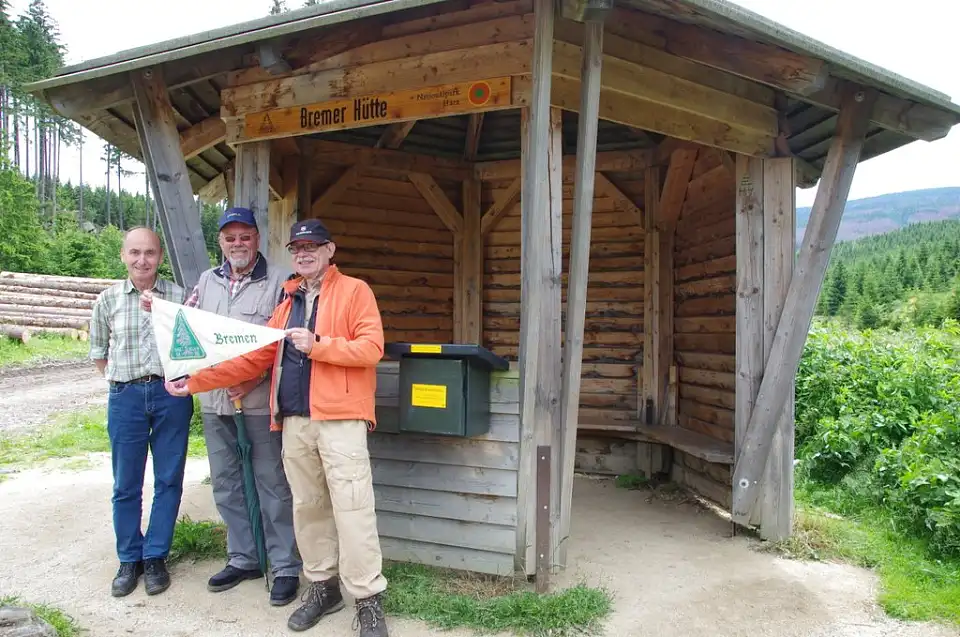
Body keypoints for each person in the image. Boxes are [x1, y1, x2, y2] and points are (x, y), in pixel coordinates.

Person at [166, 218, 389, 637]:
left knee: (353, 509)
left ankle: (368, 598)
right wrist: (194, 382)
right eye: (297, 248)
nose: (304, 253)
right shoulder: (286, 304)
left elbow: (371, 348)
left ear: (330, 250)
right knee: (307, 509)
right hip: (294, 421)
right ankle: (324, 587)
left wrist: (319, 346)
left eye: (313, 246)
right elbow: (252, 359)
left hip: (340, 420)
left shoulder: (355, 291)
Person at [178, 207, 302, 604]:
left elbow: (284, 342)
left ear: (257, 239)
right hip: (215, 401)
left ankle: (285, 566)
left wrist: (252, 378)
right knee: (226, 482)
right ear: (220, 242)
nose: (237, 244)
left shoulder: (282, 280)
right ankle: (244, 557)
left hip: (258, 399)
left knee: (273, 484)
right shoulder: (206, 281)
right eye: (229, 237)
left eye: (244, 236)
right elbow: (190, 329)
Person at [88, 227, 195, 598]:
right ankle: (128, 558)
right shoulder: (108, 300)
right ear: (123, 256)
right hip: (126, 396)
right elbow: (99, 353)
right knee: (126, 483)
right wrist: (125, 384)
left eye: (149, 253)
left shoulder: (180, 297)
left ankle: (155, 557)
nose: (142, 260)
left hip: (171, 395)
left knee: (168, 478)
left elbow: (192, 349)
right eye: (134, 253)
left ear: (160, 257)